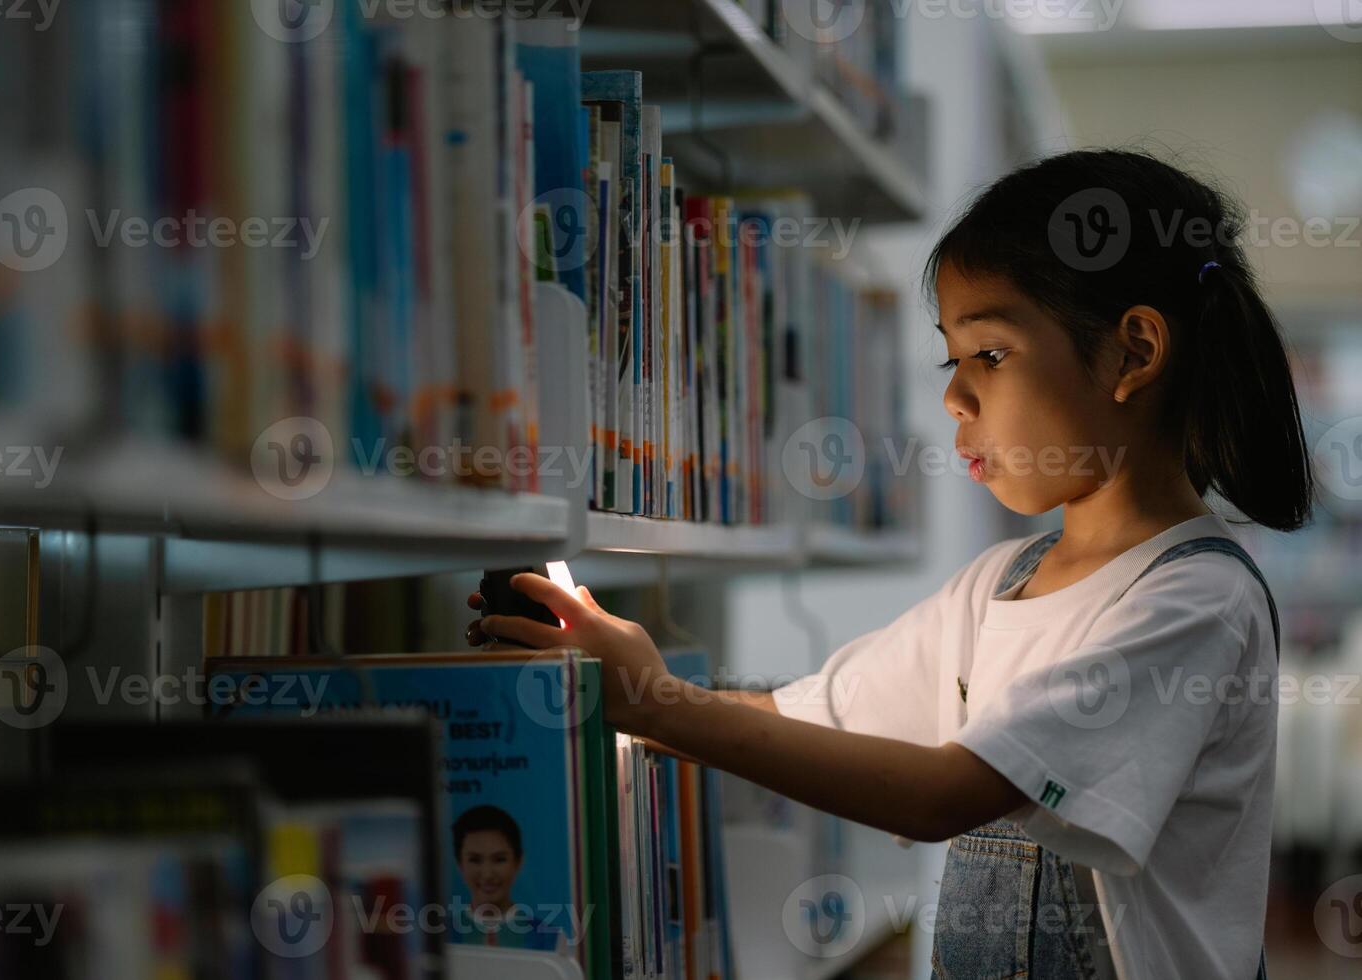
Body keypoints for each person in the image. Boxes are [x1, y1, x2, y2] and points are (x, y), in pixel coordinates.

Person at [466, 149, 1312, 979]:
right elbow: (812, 716)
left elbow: (945, 794)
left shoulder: (1196, 599)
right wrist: (623, 681)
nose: (954, 396)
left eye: (991, 354)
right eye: (953, 360)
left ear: (1132, 353)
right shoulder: (999, 585)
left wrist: (665, 704)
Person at [448, 805, 563, 953]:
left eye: (499, 859)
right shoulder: (438, 936)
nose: (487, 874)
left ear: (518, 861)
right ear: (459, 863)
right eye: (475, 860)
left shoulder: (551, 940)